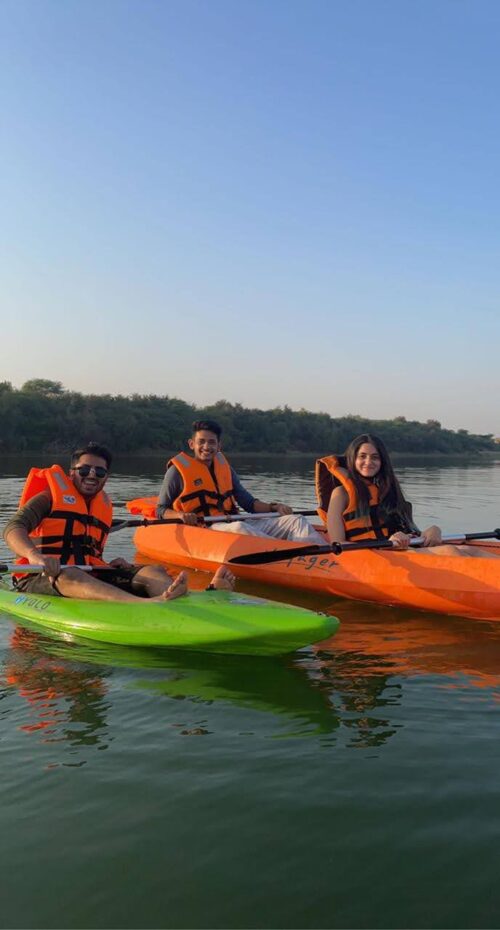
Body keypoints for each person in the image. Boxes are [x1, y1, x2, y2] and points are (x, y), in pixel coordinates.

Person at [4, 441, 235, 602]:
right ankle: (145, 604)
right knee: (71, 574)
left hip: (90, 573)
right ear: (71, 472)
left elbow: (87, 547)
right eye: (84, 469)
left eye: (100, 472)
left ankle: (189, 597)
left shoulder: (102, 505)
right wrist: (37, 557)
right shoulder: (48, 498)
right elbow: (14, 528)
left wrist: (109, 565)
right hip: (41, 577)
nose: (92, 475)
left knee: (151, 571)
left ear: (106, 477)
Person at [316, 433, 498, 558]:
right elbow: (337, 543)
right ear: (352, 459)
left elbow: (409, 529)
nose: (368, 462)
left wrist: (431, 530)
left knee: (469, 550)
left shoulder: (388, 489)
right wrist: (387, 543)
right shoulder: (340, 494)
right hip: (375, 553)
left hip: (402, 549)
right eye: (362, 456)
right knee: (451, 551)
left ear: (382, 461)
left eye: (375, 457)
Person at [157, 419, 324, 543]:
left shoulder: (225, 469)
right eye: (201, 442)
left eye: (211, 442)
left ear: (219, 446)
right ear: (192, 444)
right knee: (240, 528)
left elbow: (248, 503)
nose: (206, 447)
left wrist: (275, 507)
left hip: (233, 521)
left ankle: (322, 559)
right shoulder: (176, 472)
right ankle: (286, 551)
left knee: (296, 520)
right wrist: (181, 515)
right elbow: (161, 509)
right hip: (206, 528)